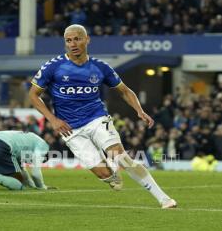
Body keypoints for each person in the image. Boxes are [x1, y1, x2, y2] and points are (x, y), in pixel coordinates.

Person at [28, 24, 177, 209]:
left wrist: (139, 110)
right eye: (68, 40)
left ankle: (164, 199)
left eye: (77, 39)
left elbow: (124, 91)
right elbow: (33, 95)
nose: (73, 44)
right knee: (103, 174)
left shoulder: (100, 67)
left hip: (97, 118)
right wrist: (52, 119)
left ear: (87, 39)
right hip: (69, 128)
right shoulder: (53, 67)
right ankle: (110, 172)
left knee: (121, 156)